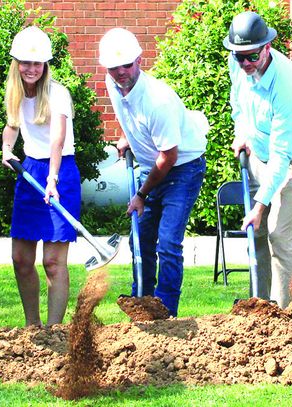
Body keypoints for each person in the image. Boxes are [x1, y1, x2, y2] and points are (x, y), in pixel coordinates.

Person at [99, 28, 208, 317]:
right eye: (113, 67)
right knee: (141, 240)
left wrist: (141, 195)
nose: (121, 72)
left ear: (139, 60)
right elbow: (129, 115)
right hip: (155, 167)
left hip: (182, 169)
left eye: (127, 65)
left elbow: (169, 156)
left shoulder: (157, 100)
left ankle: (165, 313)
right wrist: (129, 138)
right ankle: (143, 305)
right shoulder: (113, 84)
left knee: (169, 242)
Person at [223, 11, 292, 309]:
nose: (244, 64)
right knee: (257, 232)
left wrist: (259, 205)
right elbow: (238, 103)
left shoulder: (287, 83)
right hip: (260, 153)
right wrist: (242, 131)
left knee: (278, 233)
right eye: (239, 56)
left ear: (267, 47)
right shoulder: (238, 63)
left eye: (251, 57)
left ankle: (284, 313)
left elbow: (283, 154)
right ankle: (261, 305)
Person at [1, 26, 81, 327]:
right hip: (30, 172)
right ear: (17, 63)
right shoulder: (17, 92)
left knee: (52, 262)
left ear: (45, 65)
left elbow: (57, 139)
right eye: (26, 62)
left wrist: (53, 179)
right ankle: (33, 328)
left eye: (37, 63)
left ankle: (54, 330)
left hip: (59, 172)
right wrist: (7, 149)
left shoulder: (57, 93)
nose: (31, 68)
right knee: (21, 259)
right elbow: (12, 125)